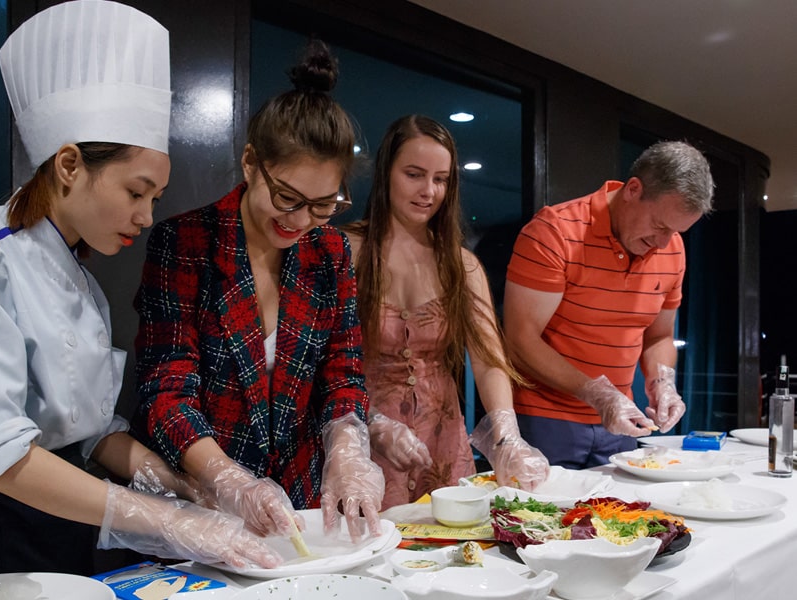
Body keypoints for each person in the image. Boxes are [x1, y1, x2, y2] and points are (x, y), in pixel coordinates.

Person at [0, 1, 279, 589]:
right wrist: (168, 522)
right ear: (70, 164)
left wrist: (189, 488)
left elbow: (93, 434)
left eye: (156, 198)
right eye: (137, 191)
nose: (148, 216)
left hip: (63, 525)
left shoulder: (82, 282)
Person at [133, 39, 384, 543]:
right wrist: (228, 479)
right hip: (200, 495)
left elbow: (342, 371)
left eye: (322, 205)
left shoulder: (329, 251)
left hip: (301, 504)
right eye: (287, 197)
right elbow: (167, 388)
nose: (299, 221)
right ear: (251, 163)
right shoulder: (186, 243)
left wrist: (348, 453)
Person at [341, 115, 549, 509]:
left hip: (443, 442)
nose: (429, 192)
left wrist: (506, 437)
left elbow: (489, 361)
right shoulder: (346, 250)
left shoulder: (461, 264)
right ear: (386, 173)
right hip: (361, 441)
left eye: (441, 179)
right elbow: (319, 361)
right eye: (414, 175)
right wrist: (369, 421)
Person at [503, 140, 714, 469]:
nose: (662, 244)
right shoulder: (554, 232)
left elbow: (658, 336)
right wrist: (596, 393)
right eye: (659, 226)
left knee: (619, 518)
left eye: (676, 232)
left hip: (621, 424)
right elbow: (519, 340)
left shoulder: (671, 249)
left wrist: (663, 384)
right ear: (632, 189)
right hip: (545, 419)